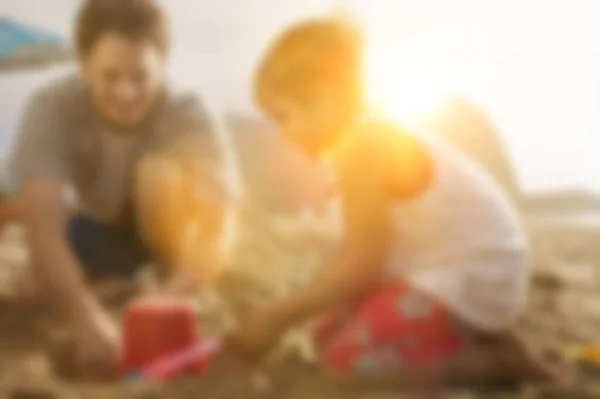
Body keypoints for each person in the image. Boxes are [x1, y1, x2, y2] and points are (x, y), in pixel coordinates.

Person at [226, 18, 561, 390]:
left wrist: (276, 316)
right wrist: (297, 310)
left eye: (284, 117)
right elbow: (361, 253)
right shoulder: (359, 143)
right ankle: (478, 333)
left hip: (475, 271)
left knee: (346, 364)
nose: (283, 135)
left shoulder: (363, 144)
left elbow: (363, 263)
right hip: (452, 268)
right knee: (326, 335)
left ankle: (495, 362)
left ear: (325, 95)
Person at [10, 0, 236, 377]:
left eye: (140, 77)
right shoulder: (50, 107)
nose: (126, 92)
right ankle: (110, 288)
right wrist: (84, 319)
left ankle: (146, 283)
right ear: (83, 63)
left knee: (156, 173)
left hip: (162, 238)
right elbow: (42, 225)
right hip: (94, 226)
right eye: (111, 76)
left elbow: (221, 224)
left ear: (163, 64)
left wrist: (170, 295)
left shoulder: (189, 111)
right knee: (31, 285)